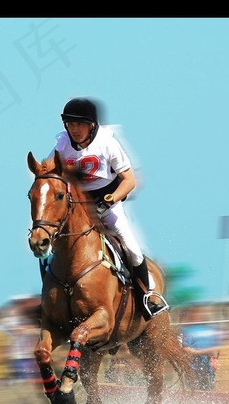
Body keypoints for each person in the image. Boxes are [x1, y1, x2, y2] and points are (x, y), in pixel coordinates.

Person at [48, 97, 169, 319]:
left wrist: (111, 198)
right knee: (48, 248)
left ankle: (148, 296)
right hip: (77, 206)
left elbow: (129, 180)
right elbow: (49, 173)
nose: (74, 129)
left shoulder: (107, 143)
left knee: (129, 244)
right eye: (70, 124)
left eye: (79, 124)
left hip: (107, 201)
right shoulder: (62, 144)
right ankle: (50, 300)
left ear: (92, 125)